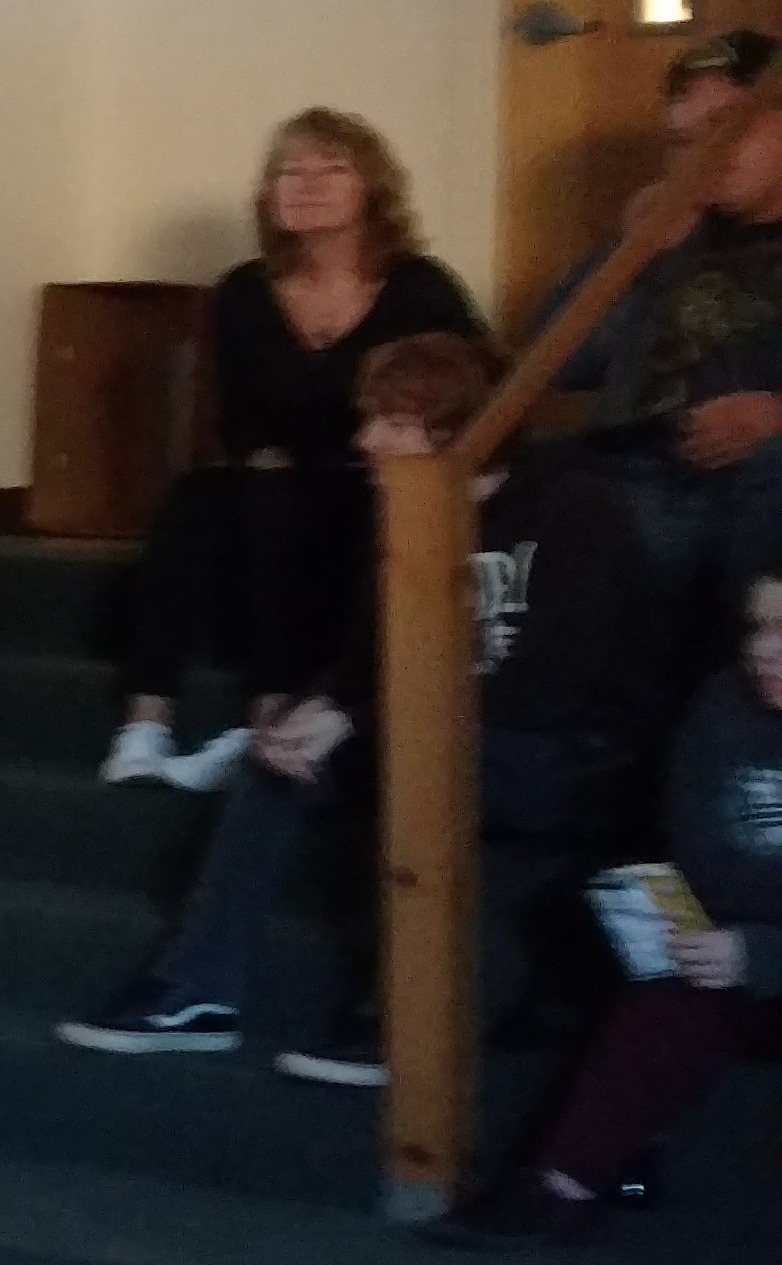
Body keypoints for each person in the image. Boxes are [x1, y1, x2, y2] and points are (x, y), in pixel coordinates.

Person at [59, 334, 653, 1076]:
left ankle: (405, 1024)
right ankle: (195, 991)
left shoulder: (578, 513)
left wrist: (355, 720)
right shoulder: (402, 509)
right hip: (432, 731)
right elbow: (362, 661)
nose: (365, 440)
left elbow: (548, 690)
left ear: (459, 431)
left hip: (559, 753)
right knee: (275, 764)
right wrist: (311, 716)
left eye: (393, 423)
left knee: (427, 764)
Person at [103, 113, 480, 788]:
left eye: (332, 169)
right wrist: (258, 453)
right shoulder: (245, 290)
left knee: (283, 506)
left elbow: (462, 396)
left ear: (372, 188)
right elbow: (238, 412)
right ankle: (145, 725)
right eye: (289, 172)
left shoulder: (422, 287)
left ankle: (269, 717)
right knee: (199, 500)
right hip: (278, 470)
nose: (307, 184)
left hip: (379, 479)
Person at [432, 570, 782, 1245]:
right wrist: (723, 935)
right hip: (724, 944)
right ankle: (563, 1185)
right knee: (668, 983)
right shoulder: (725, 704)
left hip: (752, 947)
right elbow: (699, 848)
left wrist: (760, 950)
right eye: (759, 628)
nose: (764, 649)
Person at [536, 34, 782, 629]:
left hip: (738, 481)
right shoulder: (667, 230)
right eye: (683, 139)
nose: (707, 152)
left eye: (727, 125)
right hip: (622, 466)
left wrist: (777, 414)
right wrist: (635, 255)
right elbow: (559, 364)